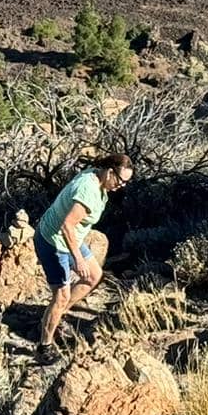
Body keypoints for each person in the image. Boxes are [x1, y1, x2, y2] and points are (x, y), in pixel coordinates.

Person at [35, 153, 133, 364]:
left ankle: (56, 316)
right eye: (121, 180)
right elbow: (67, 226)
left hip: (70, 240)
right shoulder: (88, 189)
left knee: (93, 276)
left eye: (126, 182)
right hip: (53, 243)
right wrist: (78, 259)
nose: (122, 186)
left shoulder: (96, 178)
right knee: (61, 296)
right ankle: (45, 346)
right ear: (109, 172)